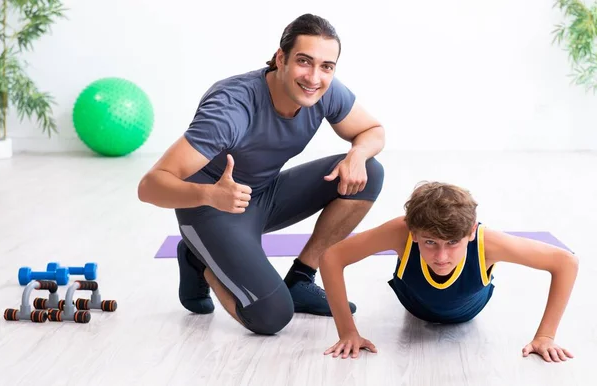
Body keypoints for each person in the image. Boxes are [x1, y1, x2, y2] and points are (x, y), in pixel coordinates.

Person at [137, 13, 385, 336]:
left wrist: (358, 154)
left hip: (261, 195)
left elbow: (373, 130)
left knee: (370, 173)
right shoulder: (231, 108)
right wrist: (209, 194)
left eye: (327, 66)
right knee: (271, 316)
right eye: (304, 62)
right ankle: (201, 260)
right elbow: (150, 186)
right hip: (210, 208)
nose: (314, 77)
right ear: (280, 59)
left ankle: (301, 278)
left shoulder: (323, 91)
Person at [319, 181, 579, 362]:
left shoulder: (488, 243)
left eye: (453, 243)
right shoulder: (401, 232)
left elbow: (566, 263)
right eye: (430, 242)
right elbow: (331, 258)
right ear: (414, 232)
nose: (441, 257)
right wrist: (347, 332)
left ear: (471, 232)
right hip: (413, 300)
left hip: (467, 309)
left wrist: (545, 335)